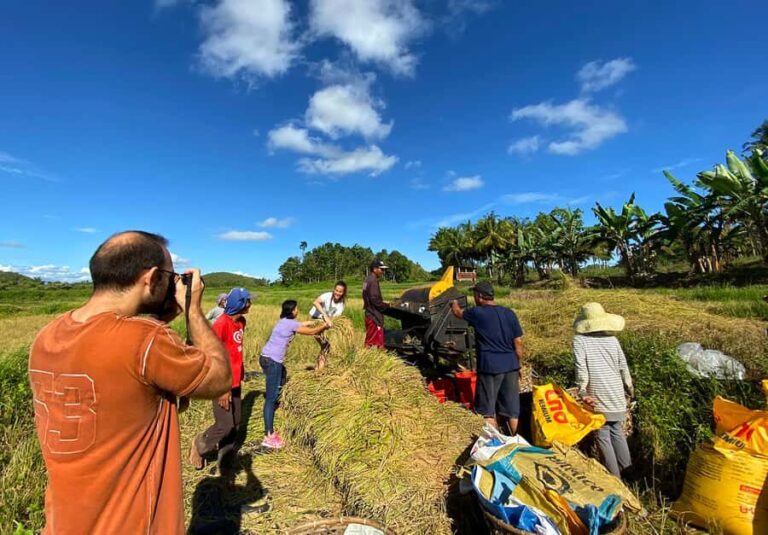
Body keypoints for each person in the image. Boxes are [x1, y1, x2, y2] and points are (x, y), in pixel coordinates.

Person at [28, 231, 231, 535]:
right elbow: (219, 378)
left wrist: (160, 320)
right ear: (151, 278)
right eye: (169, 275)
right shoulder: (146, 341)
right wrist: (192, 310)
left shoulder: (47, 337)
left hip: (64, 522)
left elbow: (119, 364)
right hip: (133, 525)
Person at [190, 287, 253, 469]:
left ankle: (225, 458)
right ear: (240, 304)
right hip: (221, 383)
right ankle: (200, 446)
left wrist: (241, 371)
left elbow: (234, 350)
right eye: (248, 301)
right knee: (224, 425)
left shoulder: (241, 322)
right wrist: (222, 388)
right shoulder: (220, 325)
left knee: (236, 422)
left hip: (235, 381)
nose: (251, 304)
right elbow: (213, 358)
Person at [451, 281, 524, 435]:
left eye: (474, 295)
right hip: (511, 365)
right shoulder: (509, 313)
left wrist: (454, 302)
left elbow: (457, 313)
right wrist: (519, 365)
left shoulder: (478, 313)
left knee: (487, 410)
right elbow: (518, 343)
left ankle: (495, 444)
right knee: (512, 410)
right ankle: (515, 443)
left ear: (479, 296)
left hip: (490, 367)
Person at [572, 302, 634, 478]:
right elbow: (623, 366)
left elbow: (581, 368)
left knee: (603, 435)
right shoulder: (612, 340)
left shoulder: (580, 341)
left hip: (598, 394)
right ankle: (628, 474)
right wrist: (629, 386)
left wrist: (582, 390)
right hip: (616, 393)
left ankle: (615, 480)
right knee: (617, 432)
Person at [259, 300, 329, 449]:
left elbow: (303, 324)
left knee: (282, 374)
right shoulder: (290, 324)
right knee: (270, 399)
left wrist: (312, 322)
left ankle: (278, 400)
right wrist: (325, 324)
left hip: (265, 357)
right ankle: (269, 436)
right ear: (292, 311)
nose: (298, 310)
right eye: (296, 308)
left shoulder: (284, 321)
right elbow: (311, 332)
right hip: (272, 361)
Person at [309, 281, 347, 369]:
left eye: (340, 291)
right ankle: (319, 370)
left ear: (343, 293)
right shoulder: (327, 295)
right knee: (326, 346)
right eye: (336, 290)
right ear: (334, 289)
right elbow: (315, 302)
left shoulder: (341, 304)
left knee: (325, 346)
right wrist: (324, 315)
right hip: (315, 320)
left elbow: (334, 318)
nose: (337, 293)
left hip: (325, 323)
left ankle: (318, 368)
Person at [362, 259, 389, 348]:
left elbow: (364, 294)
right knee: (376, 342)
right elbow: (374, 299)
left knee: (370, 339)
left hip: (368, 313)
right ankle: (379, 360)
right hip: (374, 316)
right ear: (375, 269)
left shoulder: (367, 280)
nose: (383, 271)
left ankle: (365, 359)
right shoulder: (373, 281)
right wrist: (386, 306)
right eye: (381, 269)